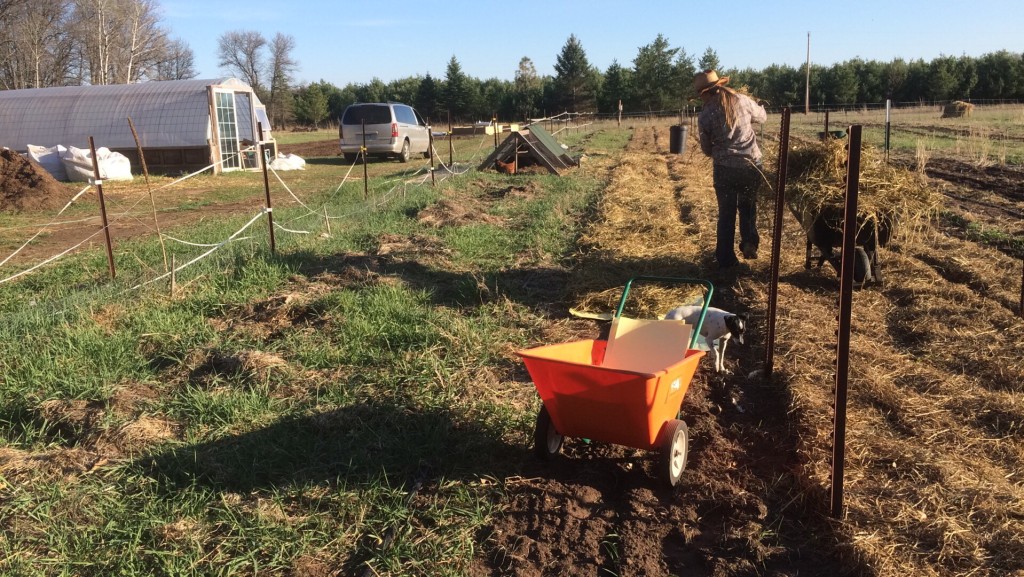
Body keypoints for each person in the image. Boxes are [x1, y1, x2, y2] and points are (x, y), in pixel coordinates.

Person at [694, 70, 767, 269]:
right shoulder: (742, 100)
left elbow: (707, 149)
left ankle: (726, 259)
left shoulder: (705, 115)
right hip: (751, 164)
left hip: (724, 169)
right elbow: (762, 117)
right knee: (748, 207)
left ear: (705, 93)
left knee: (726, 214)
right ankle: (749, 243)